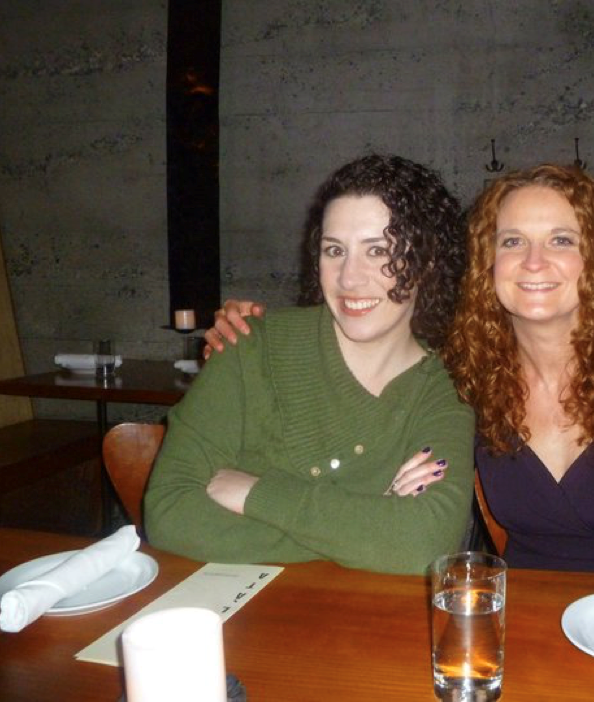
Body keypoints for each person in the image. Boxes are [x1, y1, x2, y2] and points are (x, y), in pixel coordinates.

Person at [206, 164, 594, 580]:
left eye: (562, 240)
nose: (534, 262)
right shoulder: (466, 373)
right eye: (512, 241)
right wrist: (253, 335)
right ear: (486, 261)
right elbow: (372, 350)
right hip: (516, 618)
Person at [145, 154, 475, 575]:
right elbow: (169, 510)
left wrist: (254, 493)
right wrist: (369, 530)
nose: (349, 278)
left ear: (427, 262)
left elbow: (424, 543)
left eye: (379, 251)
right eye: (334, 250)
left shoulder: (447, 386)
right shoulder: (251, 345)